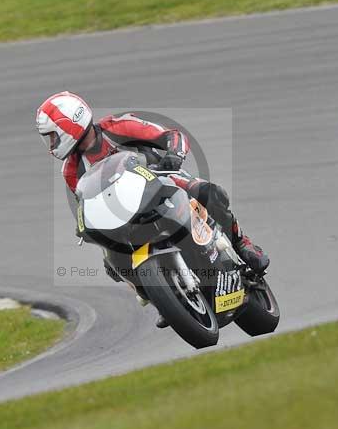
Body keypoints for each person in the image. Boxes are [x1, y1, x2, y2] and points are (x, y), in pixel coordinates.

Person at [36, 91, 269, 326]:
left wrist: (173, 155)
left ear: (70, 125)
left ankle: (243, 245)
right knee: (113, 263)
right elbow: (85, 204)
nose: (52, 145)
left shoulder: (118, 127)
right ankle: (164, 298)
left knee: (209, 193)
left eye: (53, 137)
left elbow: (171, 135)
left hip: (160, 182)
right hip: (122, 216)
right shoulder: (71, 170)